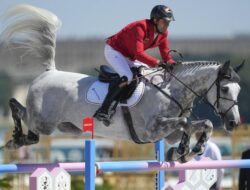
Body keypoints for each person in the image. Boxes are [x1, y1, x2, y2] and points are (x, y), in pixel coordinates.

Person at [94, 5, 177, 123]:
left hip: (129, 55)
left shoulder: (163, 33)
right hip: (114, 50)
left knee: (148, 72)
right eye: (164, 22)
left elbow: (165, 54)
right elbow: (138, 54)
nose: (167, 25)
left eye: (168, 23)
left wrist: (174, 64)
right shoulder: (140, 27)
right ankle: (103, 110)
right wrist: (158, 62)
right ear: (155, 20)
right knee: (127, 76)